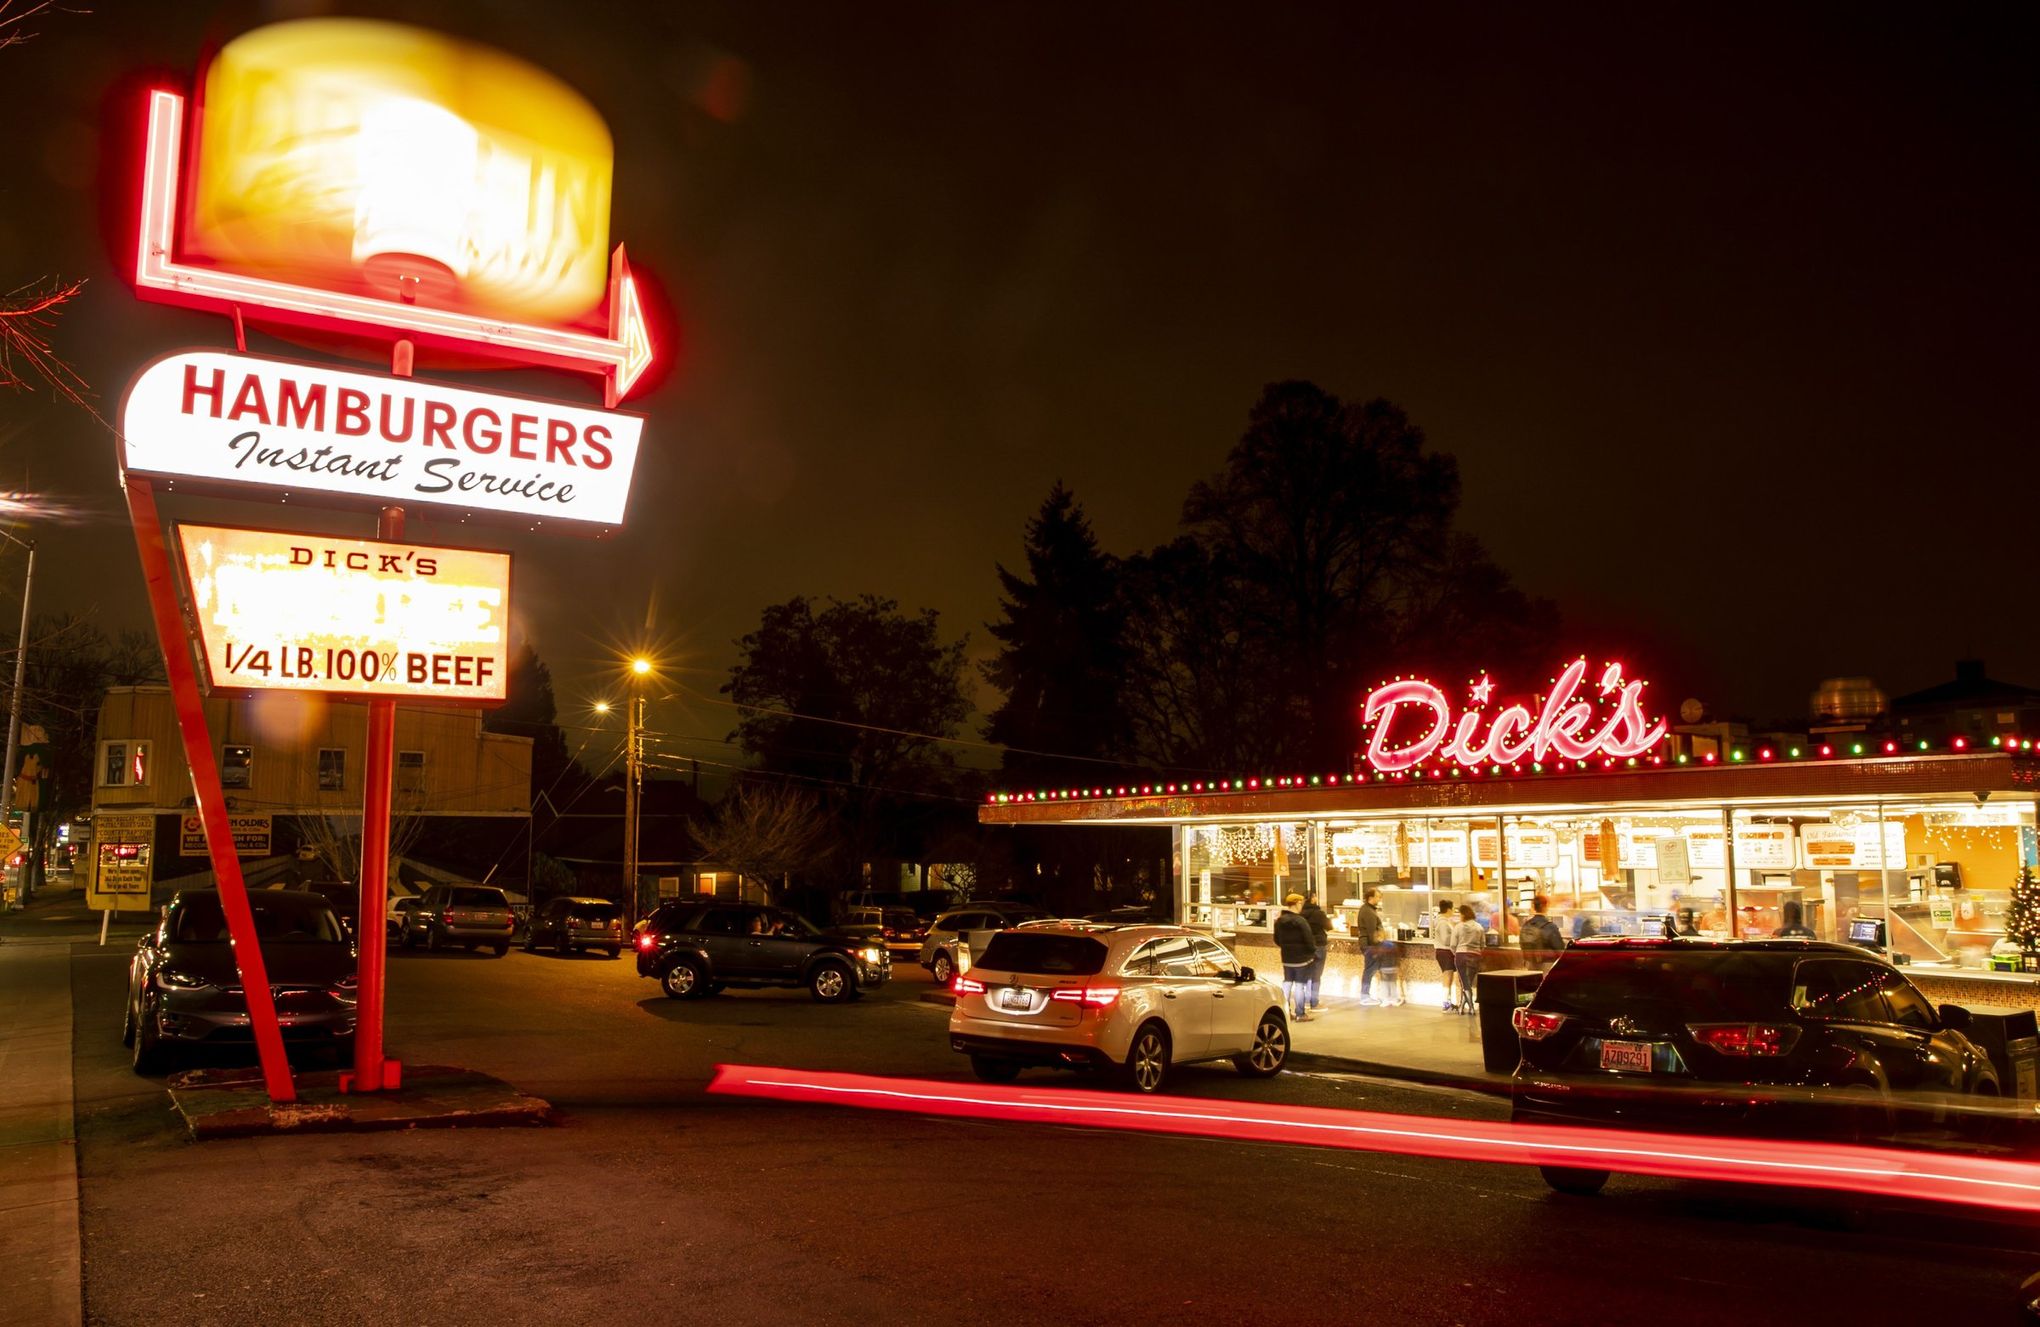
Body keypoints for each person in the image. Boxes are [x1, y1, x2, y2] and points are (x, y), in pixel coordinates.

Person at [1273, 893, 1318, 1022]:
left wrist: (1286, 948)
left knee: (1287, 983)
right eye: (1301, 904)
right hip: (1301, 958)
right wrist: (1312, 952)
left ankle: (1286, 1012)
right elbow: (1309, 939)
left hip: (1287, 958)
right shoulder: (1300, 921)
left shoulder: (1280, 921)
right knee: (1299, 985)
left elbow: (1276, 939)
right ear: (1298, 903)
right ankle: (1300, 1013)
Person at [1354, 888, 1393, 1005]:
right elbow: (1372, 932)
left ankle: (1371, 995)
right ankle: (1365, 997)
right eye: (1378, 897)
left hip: (1369, 945)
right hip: (1370, 946)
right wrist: (1378, 944)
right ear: (1370, 898)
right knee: (1369, 970)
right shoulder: (1368, 912)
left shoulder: (1368, 910)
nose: (1379, 899)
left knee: (1371, 970)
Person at [1452, 904, 1486, 1015]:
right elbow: (1483, 945)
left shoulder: (1458, 927)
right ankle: (1462, 1006)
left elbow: (1452, 945)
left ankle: (1470, 1007)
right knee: (1467, 983)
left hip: (1461, 956)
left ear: (1463, 914)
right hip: (1474, 956)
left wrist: (1456, 953)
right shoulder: (1479, 927)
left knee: (1465, 983)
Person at [1301, 893, 1331, 1012]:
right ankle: (1314, 1002)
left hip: (1305, 946)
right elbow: (1329, 926)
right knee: (1316, 975)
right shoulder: (1318, 913)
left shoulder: (1300, 913)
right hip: (1318, 945)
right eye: (1315, 896)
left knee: (1307, 974)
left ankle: (1306, 1001)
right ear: (1313, 899)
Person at [1519, 894, 1564, 970]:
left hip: (1529, 966)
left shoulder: (1526, 925)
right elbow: (1560, 950)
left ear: (1534, 907)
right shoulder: (1549, 926)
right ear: (1545, 907)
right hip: (1547, 967)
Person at [1433, 899, 1459, 1011]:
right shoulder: (1443, 922)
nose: (1453, 911)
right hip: (1445, 952)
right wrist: (1456, 935)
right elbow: (1446, 940)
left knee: (1449, 976)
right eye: (1453, 908)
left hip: (1445, 952)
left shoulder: (1443, 921)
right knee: (1447, 977)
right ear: (1449, 909)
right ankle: (1446, 1004)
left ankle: (1448, 1002)